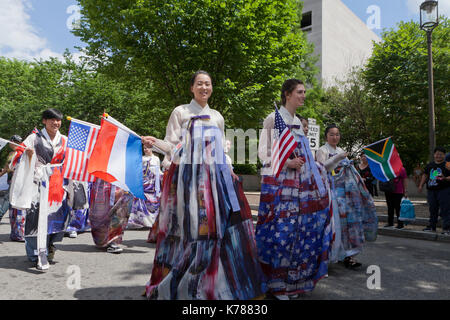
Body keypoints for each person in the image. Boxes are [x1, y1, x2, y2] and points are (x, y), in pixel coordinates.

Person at [141, 70, 267, 300]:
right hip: (188, 181)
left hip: (215, 181)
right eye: (199, 84)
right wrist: (155, 143)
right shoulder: (180, 112)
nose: (204, 88)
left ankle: (212, 281)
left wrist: (228, 168)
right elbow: (172, 145)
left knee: (216, 229)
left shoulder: (217, 116)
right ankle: (184, 281)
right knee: (188, 230)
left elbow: (222, 151)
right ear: (192, 88)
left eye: (208, 84)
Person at [257, 79, 332, 300]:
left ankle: (293, 283)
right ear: (287, 94)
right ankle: (277, 284)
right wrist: (287, 163)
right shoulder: (273, 119)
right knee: (281, 233)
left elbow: (307, 156)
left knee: (299, 235)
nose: (303, 95)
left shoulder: (298, 122)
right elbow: (263, 153)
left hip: (302, 189)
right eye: (300, 92)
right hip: (280, 186)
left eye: (304, 92)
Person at [9, 109, 70, 271]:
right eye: (52, 120)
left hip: (57, 186)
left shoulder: (64, 140)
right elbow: (15, 158)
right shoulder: (33, 138)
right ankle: (34, 253)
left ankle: (50, 246)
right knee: (35, 219)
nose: (55, 123)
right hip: (38, 184)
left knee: (57, 219)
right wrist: (27, 155)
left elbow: (73, 161)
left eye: (58, 120)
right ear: (44, 121)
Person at [316, 124, 378, 270]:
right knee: (335, 225)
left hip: (346, 194)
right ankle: (331, 255)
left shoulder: (341, 150)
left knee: (349, 224)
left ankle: (349, 255)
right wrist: (337, 158)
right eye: (331, 134)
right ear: (326, 136)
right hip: (330, 193)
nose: (335, 137)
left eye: (337, 134)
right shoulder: (322, 150)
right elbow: (322, 169)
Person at [88, 178, 133, 253]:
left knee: (120, 212)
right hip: (103, 179)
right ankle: (101, 239)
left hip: (121, 180)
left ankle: (113, 241)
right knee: (99, 214)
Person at [127, 145, 161, 230]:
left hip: (152, 183)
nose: (146, 150)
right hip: (143, 182)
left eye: (147, 148)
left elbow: (158, 170)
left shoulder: (156, 158)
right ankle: (141, 221)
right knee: (140, 200)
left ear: (152, 149)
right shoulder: (141, 158)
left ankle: (152, 222)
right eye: (144, 148)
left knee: (153, 202)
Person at [418, 147, 450, 235]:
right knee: (432, 209)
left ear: (444, 155)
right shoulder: (430, 165)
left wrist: (445, 178)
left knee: (445, 210)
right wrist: (421, 185)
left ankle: (446, 229)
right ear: (434, 155)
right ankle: (432, 227)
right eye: (437, 154)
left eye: (441, 154)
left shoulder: (448, 164)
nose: (438, 156)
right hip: (431, 191)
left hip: (444, 190)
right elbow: (425, 175)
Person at [0, 135, 23, 223]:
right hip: (10, 180)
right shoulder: (10, 154)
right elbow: (6, 168)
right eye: (15, 142)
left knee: (7, 199)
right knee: (11, 202)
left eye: (18, 142)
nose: (16, 144)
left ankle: (0, 214)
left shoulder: (21, 153)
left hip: (17, 180)